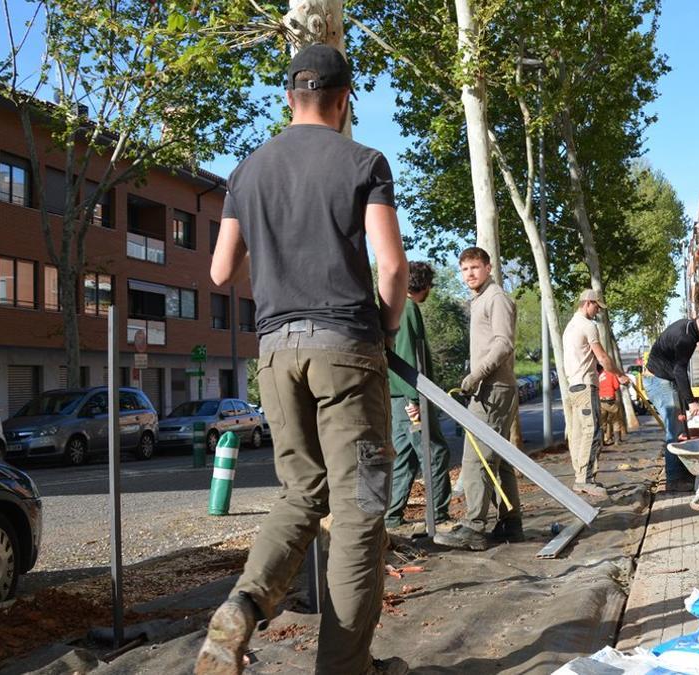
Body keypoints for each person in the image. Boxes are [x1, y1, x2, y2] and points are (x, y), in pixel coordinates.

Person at [196, 45, 409, 675]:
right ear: (345, 100)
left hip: (274, 353)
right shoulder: (363, 161)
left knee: (300, 494)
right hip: (345, 345)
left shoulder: (247, 171)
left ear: (289, 97)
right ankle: (343, 668)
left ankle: (243, 604)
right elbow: (392, 266)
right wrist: (386, 327)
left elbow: (217, 270)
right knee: (361, 510)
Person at [433, 247, 523, 550]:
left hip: (492, 389)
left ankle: (474, 528)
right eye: (464, 269)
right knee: (499, 459)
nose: (469, 274)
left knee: (477, 459)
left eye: (474, 267)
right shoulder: (481, 299)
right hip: (490, 388)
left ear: (488, 267)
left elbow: (503, 344)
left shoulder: (495, 298)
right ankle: (510, 523)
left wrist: (476, 375)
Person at [384, 261, 454, 537]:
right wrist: (415, 400)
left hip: (395, 397)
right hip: (409, 397)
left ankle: (391, 517)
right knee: (434, 451)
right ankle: (438, 515)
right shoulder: (409, 308)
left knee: (405, 457)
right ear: (424, 286)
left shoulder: (393, 306)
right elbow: (406, 357)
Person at [562, 290, 630, 497]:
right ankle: (585, 479)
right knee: (592, 432)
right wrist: (619, 374)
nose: (598, 310)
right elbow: (602, 357)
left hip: (572, 386)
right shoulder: (587, 325)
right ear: (588, 303)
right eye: (597, 306)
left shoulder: (570, 326)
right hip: (585, 385)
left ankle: (579, 477)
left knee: (578, 434)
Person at [645, 308, 699, 493]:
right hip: (659, 381)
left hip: (664, 379)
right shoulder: (686, 338)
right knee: (675, 430)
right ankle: (673, 479)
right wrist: (692, 402)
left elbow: (678, 370)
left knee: (682, 426)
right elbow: (680, 371)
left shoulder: (687, 329)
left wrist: (690, 400)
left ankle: (684, 472)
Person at [598, 367, 623, 446]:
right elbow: (616, 386)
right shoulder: (611, 374)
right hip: (610, 400)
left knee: (602, 422)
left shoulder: (596, 375)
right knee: (616, 420)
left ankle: (602, 442)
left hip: (600, 401)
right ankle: (617, 441)